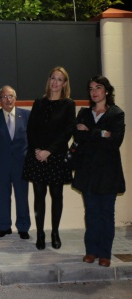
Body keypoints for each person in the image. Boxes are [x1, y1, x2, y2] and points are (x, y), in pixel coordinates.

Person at [72, 76, 125, 267]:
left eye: (98, 87)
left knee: (106, 214)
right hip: (88, 172)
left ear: (107, 91)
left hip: (108, 174)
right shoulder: (84, 113)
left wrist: (91, 132)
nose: (94, 91)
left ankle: (105, 254)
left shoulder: (117, 114)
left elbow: (114, 142)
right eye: (91, 88)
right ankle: (91, 251)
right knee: (91, 213)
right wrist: (102, 133)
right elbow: (78, 136)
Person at [22, 66, 76, 250]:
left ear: (64, 83)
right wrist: (38, 150)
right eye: (53, 78)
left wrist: (49, 151)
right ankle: (40, 233)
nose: (55, 82)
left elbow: (67, 131)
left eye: (59, 79)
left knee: (57, 195)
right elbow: (31, 129)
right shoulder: (39, 102)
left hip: (57, 156)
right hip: (37, 156)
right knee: (39, 196)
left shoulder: (68, 104)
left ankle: (55, 232)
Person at [0, 86, 31, 240]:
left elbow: (31, 141)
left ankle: (23, 227)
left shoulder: (26, 115)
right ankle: (4, 227)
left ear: (15, 98)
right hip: (1, 166)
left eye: (10, 96)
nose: (8, 99)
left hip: (22, 165)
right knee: (2, 197)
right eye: (4, 97)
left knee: (22, 197)